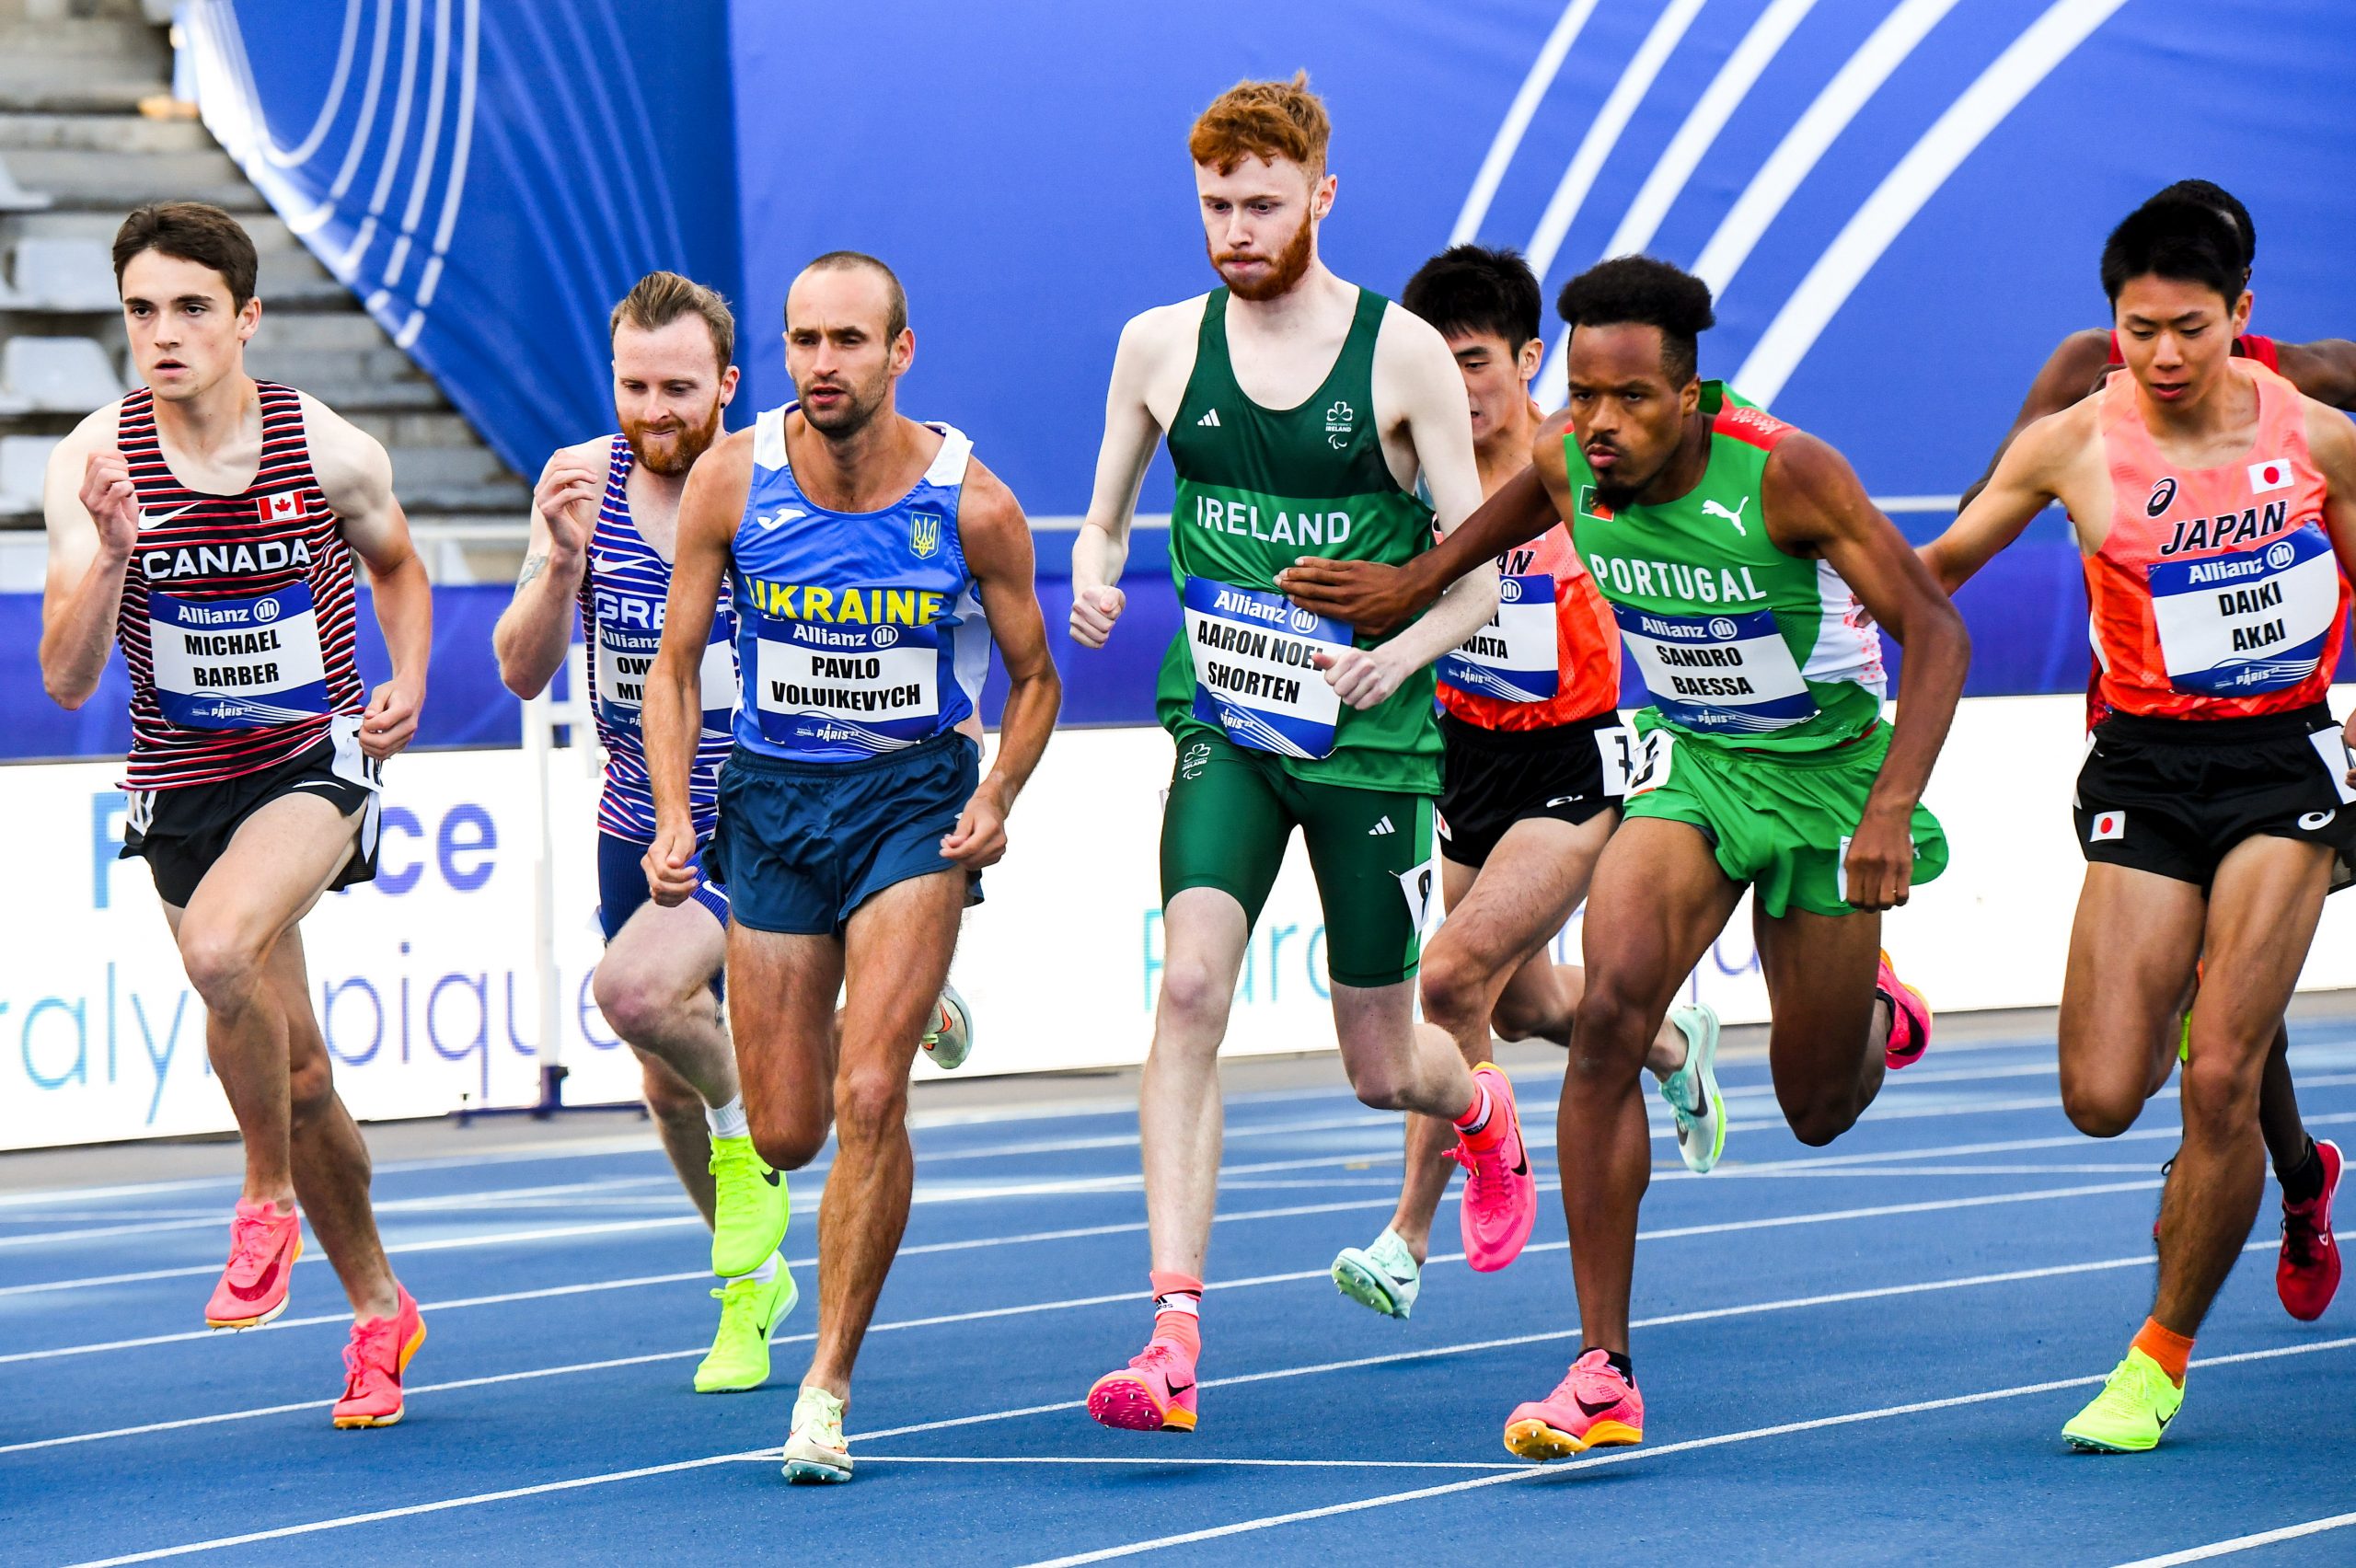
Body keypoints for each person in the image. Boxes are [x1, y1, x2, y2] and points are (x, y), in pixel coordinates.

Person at [1281, 255, 1966, 1457]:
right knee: (1605, 1020)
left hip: (1824, 779)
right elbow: (1522, 502)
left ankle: (1872, 1006)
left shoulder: (1788, 476)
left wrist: (1887, 809)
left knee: (1815, 1106)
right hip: (1693, 763)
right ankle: (1604, 1371)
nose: (1600, 425)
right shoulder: (1566, 456)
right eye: (1586, 396)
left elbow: (1939, 630)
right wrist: (1417, 582)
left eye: (1633, 400)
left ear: (1691, 396)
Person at [1067, 74, 1534, 1436]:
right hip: (1227, 718)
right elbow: (1102, 518)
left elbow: (1482, 573)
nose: (1235, 227)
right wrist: (1097, 575)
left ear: (1321, 199)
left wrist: (1400, 655)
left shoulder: (1401, 359)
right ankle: (1171, 1331)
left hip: (1369, 746)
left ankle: (1486, 1109)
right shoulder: (1159, 345)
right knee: (1192, 988)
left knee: (1386, 1066)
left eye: (1263, 204)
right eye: (1215, 203)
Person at [1922, 197, 2356, 1452]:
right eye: (2139, 330)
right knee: (2108, 1093)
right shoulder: (2071, 442)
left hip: (2285, 763)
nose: (2165, 356)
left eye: (2191, 330)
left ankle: (2154, 1363)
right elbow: (1939, 568)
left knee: (2217, 1067)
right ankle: (2296, 1164)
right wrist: (1822, 590)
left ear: (2242, 321)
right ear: (2111, 323)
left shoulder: (2318, 436)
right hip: (2146, 766)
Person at [493, 271, 973, 1393]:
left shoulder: (774, 473)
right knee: (663, 1075)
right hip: (638, 812)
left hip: (758, 807)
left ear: (727, 385)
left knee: (638, 997)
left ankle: (785, 1111)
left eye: (676, 389)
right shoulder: (579, 487)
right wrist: (560, 561)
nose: (652, 412)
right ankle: (751, 1287)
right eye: (632, 387)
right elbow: (520, 671)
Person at [642, 250, 1060, 1482]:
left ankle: (825, 1386)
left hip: (908, 804)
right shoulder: (733, 479)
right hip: (771, 807)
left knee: (872, 1095)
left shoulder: (971, 502)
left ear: (900, 352)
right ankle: (906, 987)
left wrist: (997, 793)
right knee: (782, 1134)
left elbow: (1034, 679)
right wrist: (675, 812)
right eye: (803, 341)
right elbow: (673, 667)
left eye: (848, 342)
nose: (822, 364)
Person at [38, 202, 433, 1426]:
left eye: (192, 308)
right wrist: (110, 555)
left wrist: (406, 678)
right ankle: (380, 1312)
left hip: (312, 761)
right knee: (302, 1070)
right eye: (142, 311)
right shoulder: (93, 462)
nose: (164, 334)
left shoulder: (325, 451)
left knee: (219, 953)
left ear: (247, 319)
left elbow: (400, 565)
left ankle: (262, 1196)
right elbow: (63, 678)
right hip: (180, 783)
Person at [1328, 245, 1724, 1324]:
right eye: (1437, 363)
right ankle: (1674, 1048)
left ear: (1529, 358)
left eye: (1475, 362)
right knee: (1537, 997)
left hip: (1575, 763)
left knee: (1451, 978)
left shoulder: (1586, 462)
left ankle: (1408, 1237)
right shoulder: (1410, 476)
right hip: (1462, 757)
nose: (1456, 387)